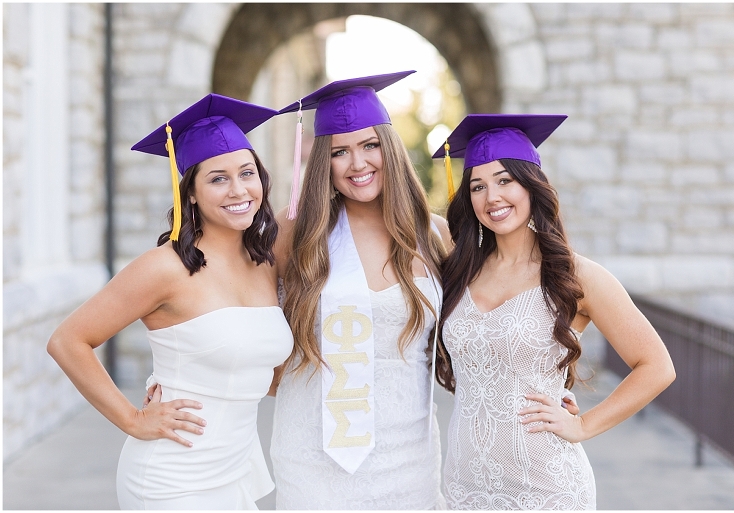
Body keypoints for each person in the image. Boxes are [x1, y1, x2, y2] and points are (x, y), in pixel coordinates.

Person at [47, 94, 293, 509]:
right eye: (218, 178)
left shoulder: (264, 263)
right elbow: (67, 340)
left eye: (247, 173)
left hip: (235, 470)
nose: (238, 190)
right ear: (190, 193)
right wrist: (133, 419)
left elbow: (262, 372)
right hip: (172, 477)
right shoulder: (164, 268)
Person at [432, 114, 676, 510]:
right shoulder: (460, 269)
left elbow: (657, 365)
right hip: (465, 484)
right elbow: (405, 219)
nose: (491, 196)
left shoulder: (576, 276)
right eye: (478, 186)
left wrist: (583, 425)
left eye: (505, 180)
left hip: (545, 487)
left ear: (532, 186)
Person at [269, 71, 452, 509]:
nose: (358, 164)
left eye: (370, 146)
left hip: (410, 458)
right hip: (313, 457)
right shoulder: (294, 233)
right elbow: (242, 310)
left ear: (389, 148)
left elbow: (479, 321)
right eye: (340, 152)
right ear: (322, 164)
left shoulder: (433, 235)